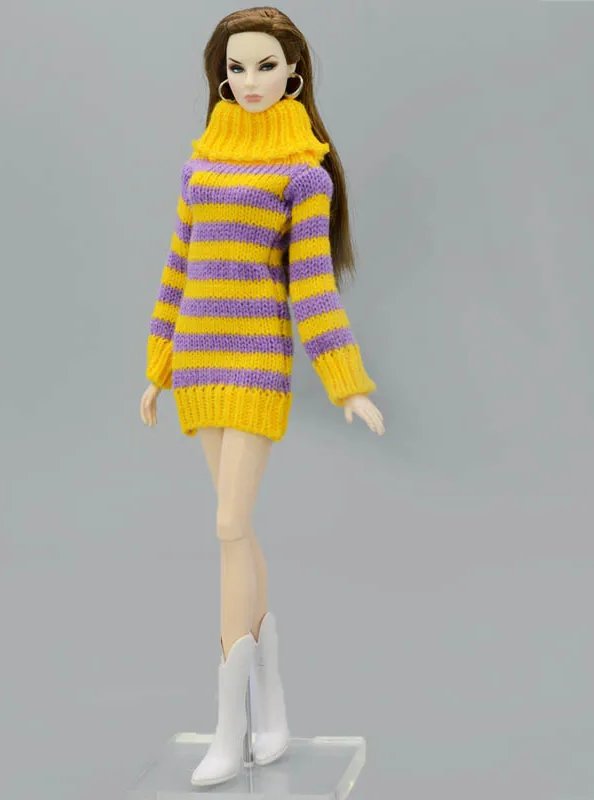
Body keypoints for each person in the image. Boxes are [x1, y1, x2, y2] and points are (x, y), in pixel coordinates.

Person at [139, 6, 385, 786]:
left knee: (227, 525)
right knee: (237, 532)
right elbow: (178, 267)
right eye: (236, 68)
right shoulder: (201, 164)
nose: (250, 81)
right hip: (197, 358)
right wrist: (157, 366)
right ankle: (271, 701)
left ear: (294, 73)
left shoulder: (303, 174)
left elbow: (311, 287)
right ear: (220, 75)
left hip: (253, 360)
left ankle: (229, 725)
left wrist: (346, 382)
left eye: (266, 66)